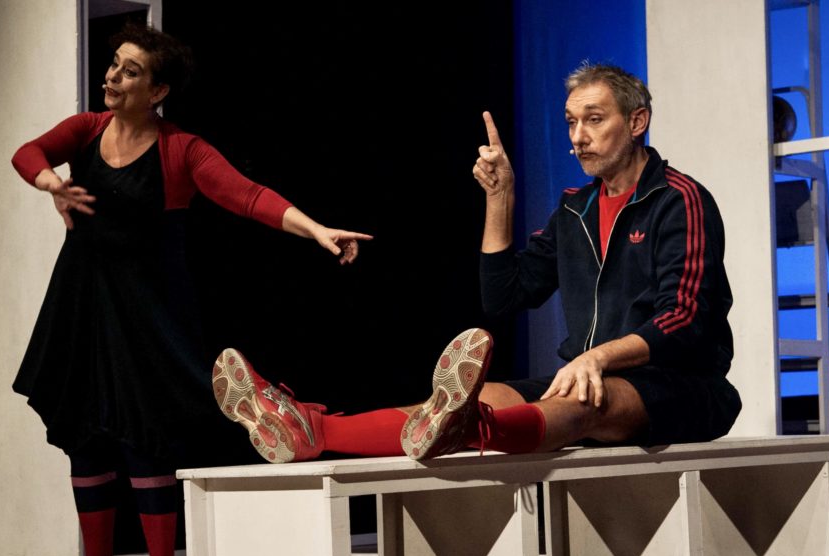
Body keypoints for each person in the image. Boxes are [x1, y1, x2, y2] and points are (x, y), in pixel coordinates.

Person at [11, 24, 371, 556]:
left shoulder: (181, 149)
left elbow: (248, 196)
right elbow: (27, 154)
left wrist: (315, 229)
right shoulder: (87, 129)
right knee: (84, 434)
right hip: (82, 305)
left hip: (148, 311)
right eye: (114, 64)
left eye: (130, 71)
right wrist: (50, 181)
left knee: (147, 435)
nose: (113, 76)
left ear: (158, 91)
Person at [212, 63, 739, 464]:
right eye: (571, 122)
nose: (578, 136)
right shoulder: (574, 209)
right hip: (587, 375)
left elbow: (684, 317)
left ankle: (470, 430)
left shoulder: (679, 199)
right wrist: (499, 197)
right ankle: (314, 430)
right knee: (480, 397)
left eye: (594, 120)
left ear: (637, 121)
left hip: (682, 385)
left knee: (583, 403)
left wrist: (597, 358)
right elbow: (504, 296)